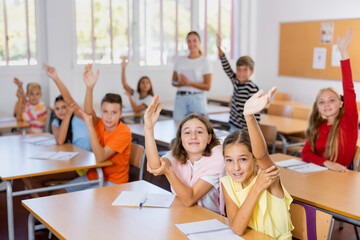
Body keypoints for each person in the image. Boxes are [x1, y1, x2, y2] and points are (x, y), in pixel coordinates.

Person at [221, 87, 293, 239]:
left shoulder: (268, 176)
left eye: (243, 159)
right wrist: (256, 189)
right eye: (229, 160)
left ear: (254, 160)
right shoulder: (227, 183)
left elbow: (262, 155)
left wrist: (249, 117)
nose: (236, 167)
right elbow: (237, 228)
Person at [55, 64, 132, 193]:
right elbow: (86, 110)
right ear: (101, 112)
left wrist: (90, 127)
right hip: (93, 175)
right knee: (59, 193)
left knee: (73, 202)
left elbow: (101, 157)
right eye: (105, 111)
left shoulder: (124, 131)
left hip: (113, 182)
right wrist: (89, 88)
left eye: (114, 113)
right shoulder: (100, 122)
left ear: (121, 113)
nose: (108, 117)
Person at [144, 95, 226, 214]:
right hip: (182, 212)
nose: (193, 136)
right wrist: (148, 128)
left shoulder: (217, 157)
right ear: (181, 139)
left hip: (210, 218)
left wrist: (169, 171)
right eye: (187, 132)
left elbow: (190, 199)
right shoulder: (175, 155)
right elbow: (156, 166)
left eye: (199, 132)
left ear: (209, 138)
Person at [301, 27, 357, 172]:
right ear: (317, 107)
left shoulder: (348, 122)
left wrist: (344, 52)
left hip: (341, 177)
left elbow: (349, 88)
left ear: (340, 104)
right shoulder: (318, 126)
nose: (326, 104)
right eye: (322, 102)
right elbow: (305, 154)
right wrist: (327, 163)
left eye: (331, 100)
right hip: (319, 172)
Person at [217, 33, 260, 131]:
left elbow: (255, 113)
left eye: (245, 70)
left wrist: (253, 130)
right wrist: (220, 50)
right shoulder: (236, 82)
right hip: (233, 125)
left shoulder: (252, 88)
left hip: (245, 129)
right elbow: (226, 67)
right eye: (238, 69)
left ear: (251, 72)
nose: (241, 73)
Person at [172, 31, 212, 122]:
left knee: (200, 125)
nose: (191, 43)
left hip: (197, 98)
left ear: (199, 42)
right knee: (178, 125)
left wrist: (189, 83)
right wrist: (179, 83)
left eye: (194, 40)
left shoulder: (204, 61)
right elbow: (173, 81)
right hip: (180, 99)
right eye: (189, 41)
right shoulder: (180, 60)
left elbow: (207, 86)